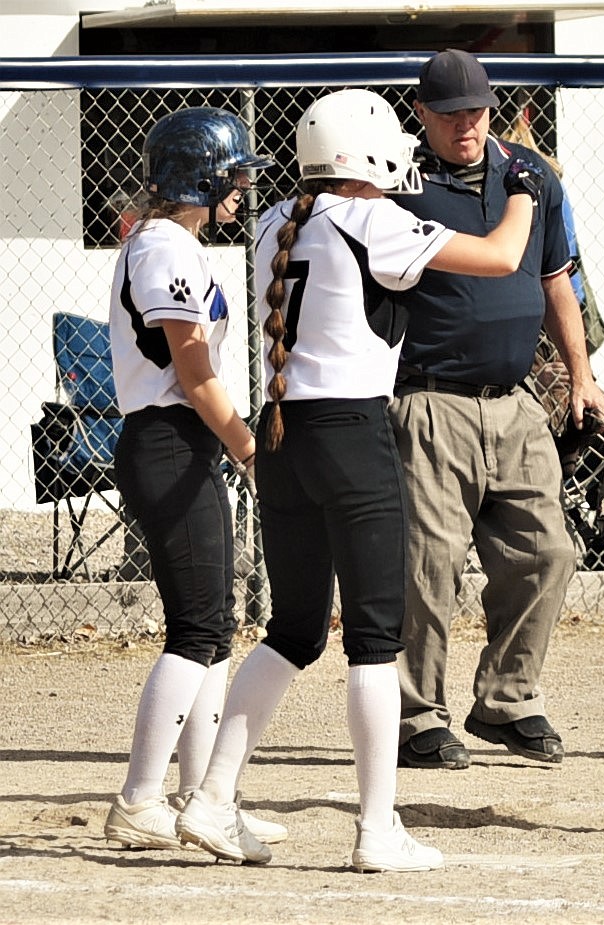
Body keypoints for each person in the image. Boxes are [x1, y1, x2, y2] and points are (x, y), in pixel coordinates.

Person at [172, 88, 543, 870]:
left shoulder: (279, 218)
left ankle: (210, 798)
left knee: (294, 631)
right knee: (376, 638)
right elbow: (503, 257)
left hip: (280, 432)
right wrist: (528, 191)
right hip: (349, 432)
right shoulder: (370, 217)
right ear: (363, 153)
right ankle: (378, 829)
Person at [388, 49, 604, 771]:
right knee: (428, 566)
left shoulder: (531, 175)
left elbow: (556, 281)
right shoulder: (398, 182)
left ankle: (508, 699)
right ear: (420, 114)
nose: (467, 124)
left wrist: (581, 376)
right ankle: (416, 714)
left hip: (514, 403)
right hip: (429, 398)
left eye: (478, 110)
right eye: (451, 113)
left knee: (547, 552)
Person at [103, 107, 286, 850]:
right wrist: (248, 447)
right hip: (169, 443)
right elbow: (192, 368)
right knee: (199, 627)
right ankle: (140, 799)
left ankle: (200, 795)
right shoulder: (162, 246)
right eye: (232, 177)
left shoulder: (173, 242)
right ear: (199, 178)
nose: (241, 190)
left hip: (183, 443)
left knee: (215, 627)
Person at [501, 109, 604, 571]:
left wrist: (590, 385)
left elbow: (564, 282)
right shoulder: (520, 197)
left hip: (553, 352)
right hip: (528, 380)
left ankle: (602, 536)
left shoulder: (542, 198)